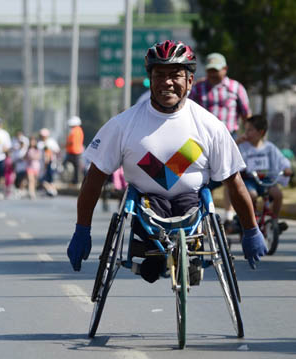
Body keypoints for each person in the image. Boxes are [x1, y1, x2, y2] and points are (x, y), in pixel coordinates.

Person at [66, 40, 267, 277]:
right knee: (151, 207)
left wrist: (251, 230)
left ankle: (186, 252)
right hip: (146, 207)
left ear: (190, 81)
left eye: (175, 75)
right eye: (159, 75)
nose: (167, 83)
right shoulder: (123, 125)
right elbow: (94, 178)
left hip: (191, 206)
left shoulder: (210, 126)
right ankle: (154, 254)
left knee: (188, 204)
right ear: (150, 80)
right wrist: (82, 229)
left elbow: (234, 182)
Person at [189, 52, 252, 225]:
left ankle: (229, 214)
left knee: (229, 176)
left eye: (216, 70)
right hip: (199, 139)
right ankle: (196, 214)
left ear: (225, 69)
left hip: (228, 137)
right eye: (210, 70)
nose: (213, 74)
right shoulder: (198, 88)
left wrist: (248, 136)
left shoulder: (235, 88)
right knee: (197, 176)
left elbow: (246, 114)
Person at [238, 115, 293, 221]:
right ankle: (248, 220)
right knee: (251, 195)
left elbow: (281, 160)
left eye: (250, 130)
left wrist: (287, 169)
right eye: (246, 130)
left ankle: (274, 220)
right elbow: (232, 156)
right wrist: (237, 142)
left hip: (266, 180)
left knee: (278, 195)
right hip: (250, 180)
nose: (246, 133)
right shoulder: (242, 146)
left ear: (261, 132)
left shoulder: (269, 148)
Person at [38, 128, 60, 197]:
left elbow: (57, 151)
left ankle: (52, 190)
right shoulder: (39, 143)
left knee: (49, 179)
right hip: (41, 165)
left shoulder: (51, 142)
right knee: (42, 179)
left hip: (50, 164)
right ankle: (50, 190)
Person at [64, 116, 84, 186]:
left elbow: (71, 142)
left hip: (73, 152)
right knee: (76, 168)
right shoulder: (79, 130)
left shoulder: (75, 131)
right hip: (77, 151)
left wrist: (65, 145)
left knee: (66, 165)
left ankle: (74, 180)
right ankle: (75, 180)